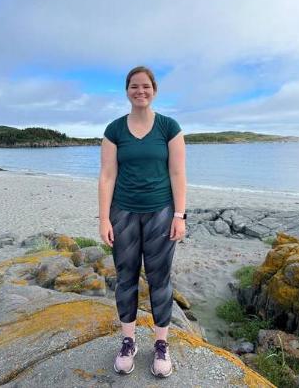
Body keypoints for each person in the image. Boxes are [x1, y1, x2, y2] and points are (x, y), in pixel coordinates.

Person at [98, 66, 186, 378]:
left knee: (160, 279)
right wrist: (104, 218)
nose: (140, 91)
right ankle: (128, 341)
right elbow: (108, 176)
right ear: (127, 91)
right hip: (123, 213)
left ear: (154, 90)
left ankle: (161, 345)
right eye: (134, 86)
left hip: (161, 211)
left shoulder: (169, 127)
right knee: (126, 278)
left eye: (146, 86)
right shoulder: (114, 130)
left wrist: (179, 215)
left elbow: (177, 174)